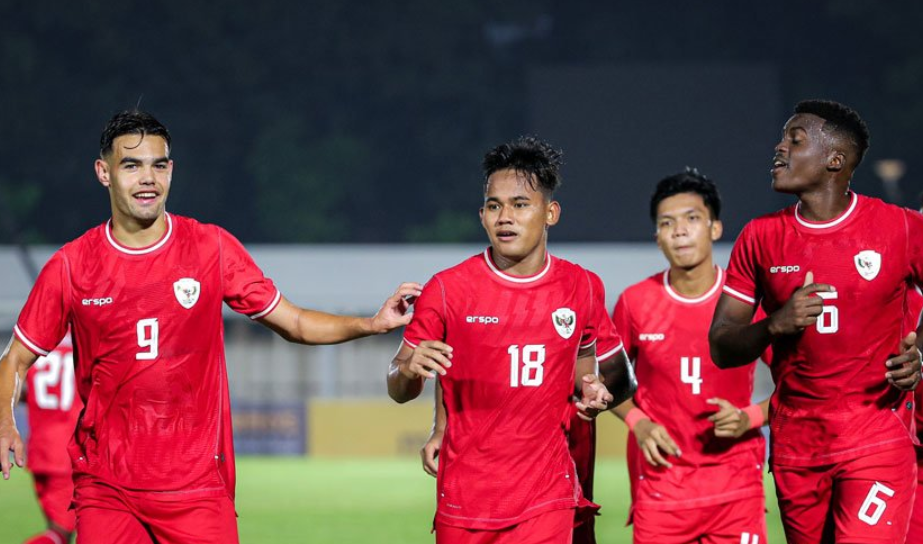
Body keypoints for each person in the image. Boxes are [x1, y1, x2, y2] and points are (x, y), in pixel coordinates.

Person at [0, 109, 421, 544]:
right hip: (107, 487)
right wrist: (5, 420)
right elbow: (15, 358)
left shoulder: (210, 248)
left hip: (197, 488)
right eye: (132, 165)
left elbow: (293, 322)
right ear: (103, 173)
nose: (148, 178)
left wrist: (370, 323)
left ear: (171, 171)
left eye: (158, 165)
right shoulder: (71, 266)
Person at [389, 136, 635, 543]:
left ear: (550, 213)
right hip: (466, 499)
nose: (505, 216)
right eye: (494, 205)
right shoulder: (447, 289)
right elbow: (400, 385)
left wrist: (593, 393)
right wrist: (407, 373)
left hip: (546, 497)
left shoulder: (582, 287)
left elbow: (597, 378)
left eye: (520, 204)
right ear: (482, 215)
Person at [709, 99, 923, 544]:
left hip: (875, 437)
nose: (779, 148)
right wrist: (775, 325)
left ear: (835, 160)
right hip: (795, 447)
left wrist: (920, 348)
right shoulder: (760, 237)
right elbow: (721, 345)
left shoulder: (899, 227)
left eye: (795, 139)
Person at [610, 169, 768, 544]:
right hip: (661, 489)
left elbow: (803, 381)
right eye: (667, 223)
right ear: (657, 237)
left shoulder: (746, 303)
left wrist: (752, 416)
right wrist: (638, 422)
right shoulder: (635, 302)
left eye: (692, 219)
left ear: (715, 228)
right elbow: (606, 381)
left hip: (736, 488)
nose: (679, 230)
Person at [419, 273, 629, 544]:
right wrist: (441, 425)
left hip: (553, 477)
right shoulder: (453, 287)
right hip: (473, 483)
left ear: (549, 225)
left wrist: (594, 392)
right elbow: (451, 364)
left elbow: (615, 375)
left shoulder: (578, 286)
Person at [21, 334, 81, 544]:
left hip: (39, 451)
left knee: (57, 530)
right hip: (66, 455)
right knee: (60, 534)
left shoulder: (35, 347)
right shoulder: (82, 348)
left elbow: (22, 391)